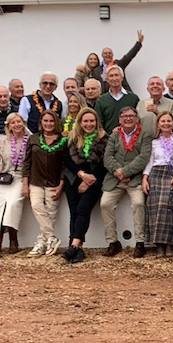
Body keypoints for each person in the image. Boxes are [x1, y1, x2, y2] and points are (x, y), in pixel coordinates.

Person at [101, 104, 151, 258]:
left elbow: (144, 157)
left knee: (138, 203)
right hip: (114, 179)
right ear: (120, 120)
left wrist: (127, 171)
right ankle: (113, 242)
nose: (128, 119)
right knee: (105, 204)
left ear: (136, 119)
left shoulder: (145, 134)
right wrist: (118, 171)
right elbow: (107, 157)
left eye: (131, 116)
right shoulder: (114, 135)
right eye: (125, 117)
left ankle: (140, 242)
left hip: (134, 179)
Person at [61, 109, 107, 263]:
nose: (89, 124)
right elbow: (66, 160)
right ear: (80, 122)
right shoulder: (72, 138)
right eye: (85, 121)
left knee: (83, 208)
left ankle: (73, 246)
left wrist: (89, 181)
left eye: (91, 121)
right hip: (74, 178)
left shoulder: (103, 139)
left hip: (94, 180)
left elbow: (103, 165)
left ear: (96, 122)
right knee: (74, 212)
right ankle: (77, 249)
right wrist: (81, 175)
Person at [26, 109, 68, 258]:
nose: (48, 124)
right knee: (37, 207)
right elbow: (27, 162)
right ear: (41, 122)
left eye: (51, 121)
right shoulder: (33, 139)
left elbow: (65, 165)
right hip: (35, 181)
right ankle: (52, 238)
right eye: (45, 121)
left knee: (50, 213)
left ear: (55, 122)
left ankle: (41, 243)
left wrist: (61, 185)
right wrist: (25, 183)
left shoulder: (63, 140)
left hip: (54, 182)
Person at [0, 111, 31, 259]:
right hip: (4, 179)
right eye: (13, 122)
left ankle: (13, 239)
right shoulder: (3, 141)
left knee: (13, 205)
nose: (16, 125)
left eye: (19, 121)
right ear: (8, 126)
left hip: (21, 178)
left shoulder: (30, 140)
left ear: (23, 123)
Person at [142, 112, 173, 256]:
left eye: (169, 121)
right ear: (158, 124)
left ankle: (170, 244)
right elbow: (150, 161)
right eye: (163, 121)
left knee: (169, 204)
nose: (166, 123)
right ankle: (159, 245)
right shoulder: (154, 142)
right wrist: (145, 178)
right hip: (156, 174)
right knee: (155, 206)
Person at [95, 65, 140, 133]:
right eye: (111, 76)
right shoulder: (101, 100)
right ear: (107, 79)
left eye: (116, 75)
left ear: (122, 77)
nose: (114, 78)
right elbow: (98, 123)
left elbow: (138, 120)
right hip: (108, 140)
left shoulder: (133, 98)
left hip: (131, 139)